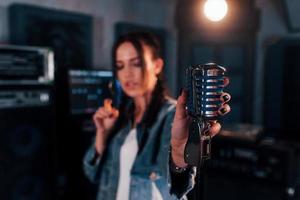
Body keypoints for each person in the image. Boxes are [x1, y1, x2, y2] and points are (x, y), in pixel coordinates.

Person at [83, 32, 230, 200]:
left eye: (136, 63)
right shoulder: (119, 117)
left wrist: (179, 157)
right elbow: (93, 174)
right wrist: (103, 133)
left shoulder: (173, 116)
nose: (127, 74)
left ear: (157, 66)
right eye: (120, 66)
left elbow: (173, 183)